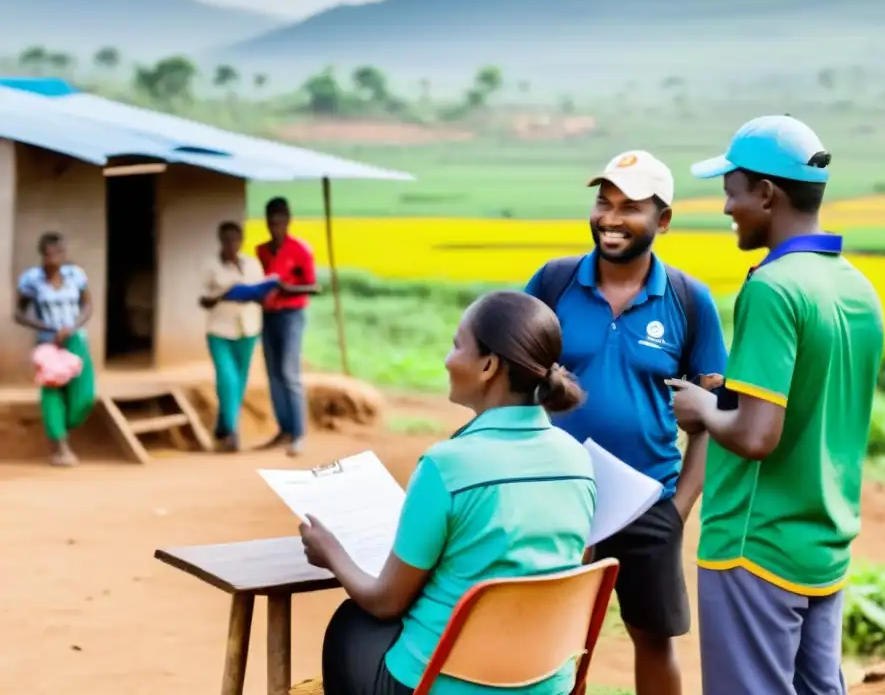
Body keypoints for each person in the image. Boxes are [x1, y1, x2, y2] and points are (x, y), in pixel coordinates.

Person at [673, 115, 885, 695]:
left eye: (731, 191)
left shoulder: (772, 287)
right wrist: (730, 393)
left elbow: (757, 436)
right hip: (822, 542)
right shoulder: (854, 287)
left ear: (766, 193)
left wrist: (701, 410)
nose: (725, 207)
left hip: (755, 544)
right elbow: (813, 399)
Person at [300, 290, 596, 695]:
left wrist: (329, 551)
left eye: (457, 345)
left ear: (489, 365)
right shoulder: (577, 460)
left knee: (353, 623)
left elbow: (385, 602)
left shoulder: (447, 465)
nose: (447, 358)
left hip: (448, 684)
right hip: (546, 682)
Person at [524, 151, 729, 695]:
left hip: (648, 500)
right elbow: (508, 372)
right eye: (604, 203)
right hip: (557, 495)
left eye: (630, 208)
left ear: (662, 221)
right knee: (551, 635)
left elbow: (712, 417)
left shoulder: (689, 300)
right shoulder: (554, 282)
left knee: (653, 639)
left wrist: (678, 509)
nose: (610, 219)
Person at [14, 232, 95, 467]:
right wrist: (46, 327)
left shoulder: (75, 275)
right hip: (48, 344)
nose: (56, 258)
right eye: (51, 254)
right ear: (43, 255)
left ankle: (62, 428)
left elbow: (87, 305)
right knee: (52, 394)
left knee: (85, 395)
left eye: (60, 252)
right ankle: (60, 445)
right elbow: (18, 313)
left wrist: (74, 326)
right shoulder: (32, 280)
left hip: (76, 339)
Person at [255, 197, 319, 456]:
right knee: (273, 374)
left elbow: (314, 286)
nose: (275, 227)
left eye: (279, 222)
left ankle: (298, 434)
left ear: (288, 221)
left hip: (292, 314)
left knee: (289, 373)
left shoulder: (300, 250)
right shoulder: (261, 250)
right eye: (271, 222)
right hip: (268, 314)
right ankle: (283, 429)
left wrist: (288, 289)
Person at [198, 221, 267, 452]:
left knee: (239, 382)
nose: (231, 244)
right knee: (227, 378)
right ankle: (232, 431)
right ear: (220, 240)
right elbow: (203, 300)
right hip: (219, 330)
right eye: (226, 240)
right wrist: (222, 295)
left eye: (235, 239)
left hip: (248, 329)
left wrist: (252, 295)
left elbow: (262, 294)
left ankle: (221, 427)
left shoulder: (252, 264)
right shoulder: (210, 266)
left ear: (241, 240)